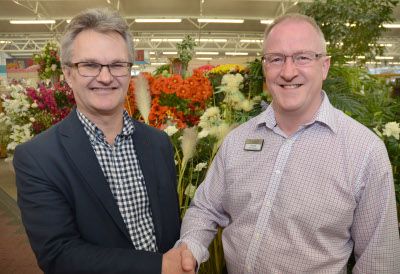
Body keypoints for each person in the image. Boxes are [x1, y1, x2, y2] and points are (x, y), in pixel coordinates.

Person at [178, 13, 400, 273]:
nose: (288, 71)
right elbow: (205, 207)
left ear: (325, 66)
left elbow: (378, 259)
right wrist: (190, 247)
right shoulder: (237, 141)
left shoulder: (364, 151)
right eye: (276, 59)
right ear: (265, 68)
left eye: (302, 57)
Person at [13, 8, 192, 274]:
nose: (106, 77)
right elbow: (58, 253)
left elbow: (168, 227)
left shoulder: (158, 143)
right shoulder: (39, 158)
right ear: (68, 73)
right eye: (90, 65)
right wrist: (158, 267)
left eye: (117, 65)